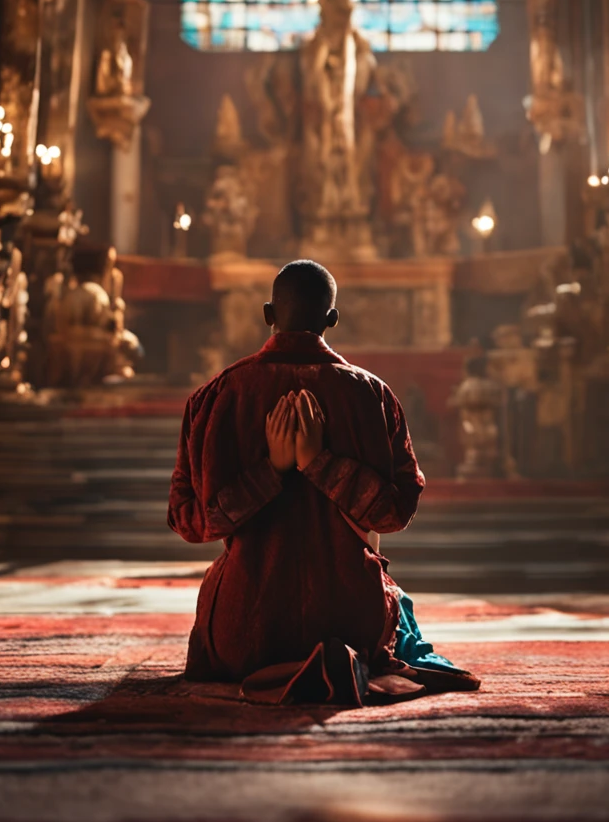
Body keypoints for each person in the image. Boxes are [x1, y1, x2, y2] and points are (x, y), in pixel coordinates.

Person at [168, 260, 480, 705]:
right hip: (353, 623)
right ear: (332, 319)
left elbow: (189, 522)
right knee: (395, 606)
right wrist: (320, 465)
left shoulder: (216, 396)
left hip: (243, 634)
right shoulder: (372, 396)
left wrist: (273, 472)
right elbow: (393, 515)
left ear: (267, 313)